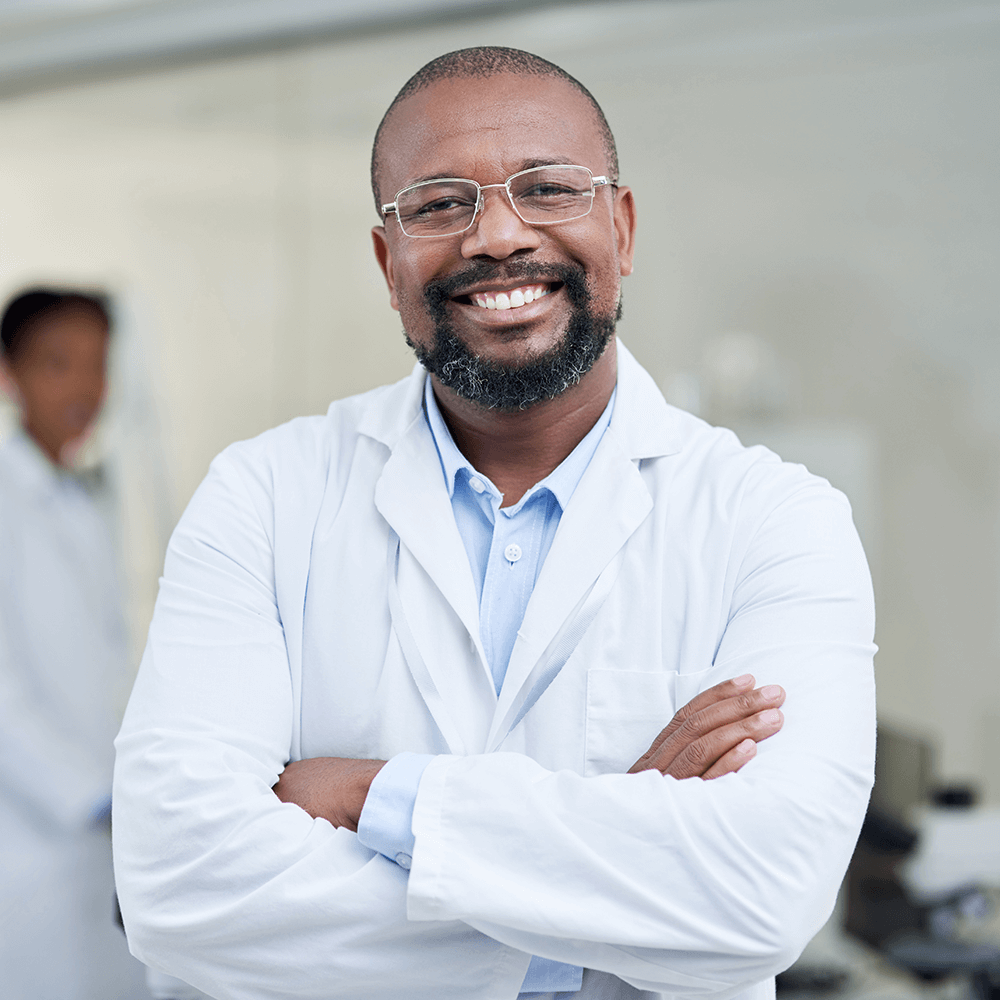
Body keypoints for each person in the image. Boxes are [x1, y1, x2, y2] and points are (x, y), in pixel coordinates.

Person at [113, 47, 876, 1000]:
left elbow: (760, 898)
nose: (500, 235)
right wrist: (606, 876)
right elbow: (176, 885)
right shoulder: (264, 497)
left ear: (621, 228)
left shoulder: (775, 519)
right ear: (389, 263)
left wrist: (368, 794)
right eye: (439, 204)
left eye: (548, 189)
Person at [0, 289, 135, 998]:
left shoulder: (80, 502)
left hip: (99, 838)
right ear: (8, 374)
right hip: (30, 841)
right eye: (58, 363)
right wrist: (96, 798)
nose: (84, 387)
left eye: (97, 365)